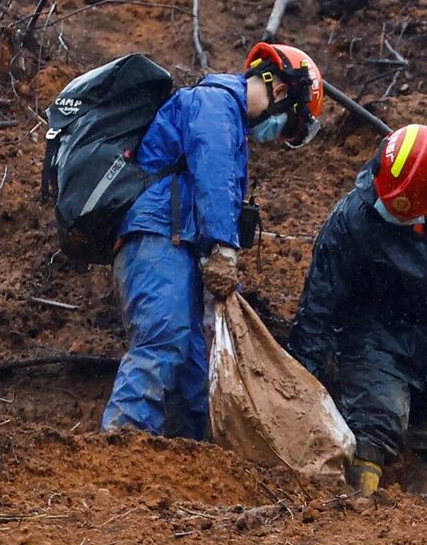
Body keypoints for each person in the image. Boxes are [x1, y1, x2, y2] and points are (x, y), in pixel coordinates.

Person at [102, 43, 326, 438]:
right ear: (279, 91)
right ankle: (120, 449)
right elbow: (214, 175)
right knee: (162, 344)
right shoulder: (214, 104)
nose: (278, 137)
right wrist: (223, 247)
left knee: (194, 376)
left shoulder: (230, 122)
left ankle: (185, 469)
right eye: (289, 124)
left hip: (180, 245)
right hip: (158, 239)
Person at [286, 124, 427, 503]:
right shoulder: (351, 220)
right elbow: (319, 306)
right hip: (372, 340)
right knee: (377, 420)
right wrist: (297, 383)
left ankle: (426, 527)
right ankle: (351, 512)